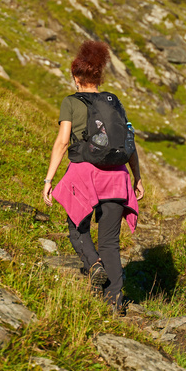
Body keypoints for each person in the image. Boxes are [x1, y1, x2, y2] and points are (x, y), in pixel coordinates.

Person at [43, 40, 144, 310]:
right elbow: (128, 141)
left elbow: (63, 142)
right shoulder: (114, 102)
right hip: (117, 176)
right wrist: (137, 177)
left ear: (76, 77)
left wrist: (49, 179)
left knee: (78, 227)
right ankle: (115, 302)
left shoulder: (71, 102)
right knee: (110, 241)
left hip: (85, 176)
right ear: (99, 76)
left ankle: (94, 264)